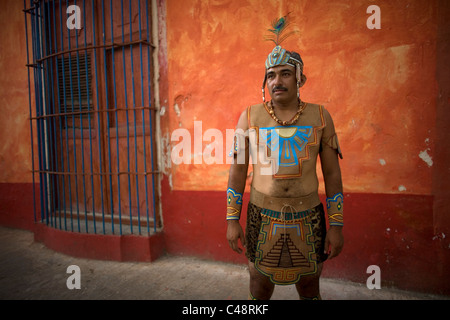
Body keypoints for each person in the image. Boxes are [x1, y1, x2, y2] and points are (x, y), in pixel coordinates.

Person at [226, 16, 344, 300]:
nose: (276, 81)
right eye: (271, 75)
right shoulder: (250, 117)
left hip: (309, 216)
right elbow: (238, 172)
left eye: (285, 73)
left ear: (300, 78)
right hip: (261, 215)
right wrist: (232, 220)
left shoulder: (320, 116)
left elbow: (332, 175)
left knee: (309, 285)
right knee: (259, 285)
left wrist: (336, 225)